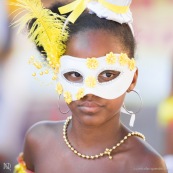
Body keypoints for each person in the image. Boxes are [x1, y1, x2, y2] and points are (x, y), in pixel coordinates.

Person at [12, 0, 167, 172]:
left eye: (108, 75)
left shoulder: (145, 165)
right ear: (59, 74)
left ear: (132, 79)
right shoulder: (38, 141)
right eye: (75, 74)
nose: (89, 92)